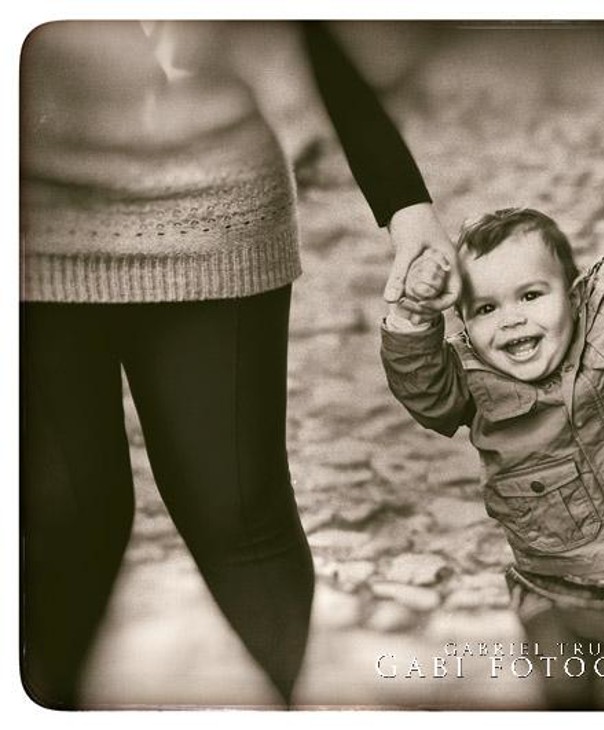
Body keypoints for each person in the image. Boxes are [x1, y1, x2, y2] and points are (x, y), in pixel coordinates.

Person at [20, 20, 454, 708]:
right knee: (70, 520)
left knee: (239, 518)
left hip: (214, 213)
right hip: (28, 233)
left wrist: (406, 206)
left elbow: (303, 28)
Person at [380, 163, 604, 708]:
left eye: (530, 295)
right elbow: (426, 397)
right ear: (465, 325)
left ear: (572, 294)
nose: (510, 320)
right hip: (549, 586)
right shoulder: (472, 377)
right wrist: (413, 311)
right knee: (567, 693)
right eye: (485, 309)